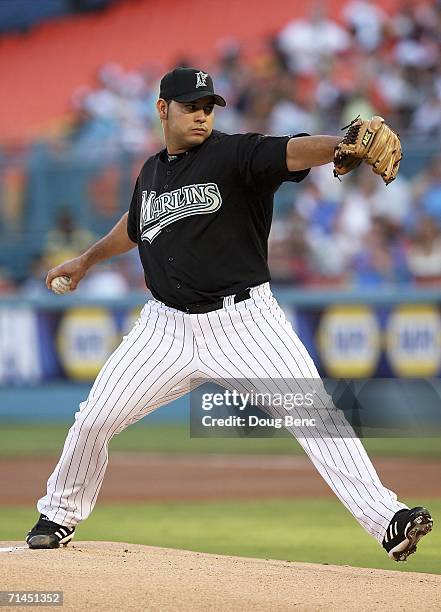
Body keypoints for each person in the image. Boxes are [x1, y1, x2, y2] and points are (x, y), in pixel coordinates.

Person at [26, 67, 432, 562]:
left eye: (207, 107)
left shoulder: (236, 154)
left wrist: (341, 143)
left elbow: (289, 150)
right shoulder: (152, 171)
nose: (200, 115)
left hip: (245, 323)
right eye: (190, 106)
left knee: (317, 419)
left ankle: (386, 519)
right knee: (93, 421)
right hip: (164, 328)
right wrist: (86, 260)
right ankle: (58, 516)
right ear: (162, 109)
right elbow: (134, 225)